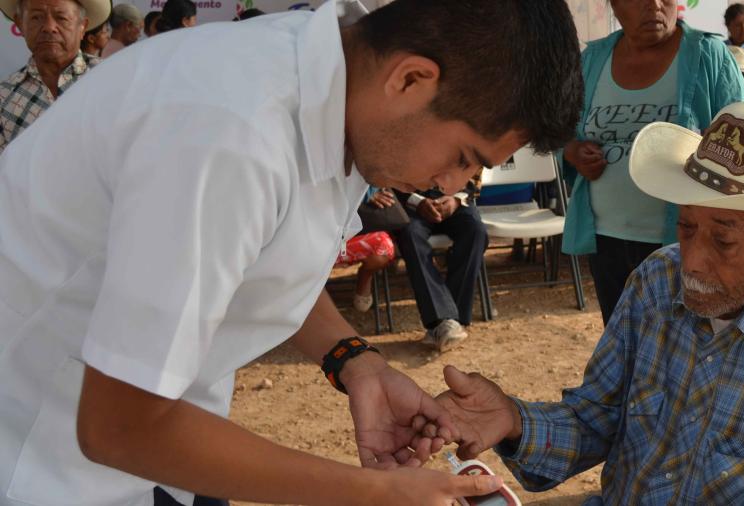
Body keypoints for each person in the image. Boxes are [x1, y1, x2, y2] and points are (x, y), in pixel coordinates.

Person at [0, 0, 584, 505]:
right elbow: (118, 427)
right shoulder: (229, 135)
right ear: (410, 80)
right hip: (40, 453)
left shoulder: (351, 94)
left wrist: (356, 362)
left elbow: (255, 261)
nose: (454, 186)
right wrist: (373, 492)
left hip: (163, 437)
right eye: (464, 155)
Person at [433, 102, 744, 505]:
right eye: (686, 227)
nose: (691, 261)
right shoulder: (657, 279)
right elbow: (597, 419)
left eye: (724, 240)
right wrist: (513, 420)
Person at [560, 0, 744, 325]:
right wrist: (575, 152)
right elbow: (566, 131)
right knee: (619, 338)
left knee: (682, 343)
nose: (655, 5)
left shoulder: (707, 55)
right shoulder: (593, 59)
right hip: (606, 236)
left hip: (686, 238)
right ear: (614, 6)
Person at [395, 171, 487, 351]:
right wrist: (418, 201)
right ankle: (442, 320)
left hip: (456, 200)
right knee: (411, 235)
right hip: (411, 202)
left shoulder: (467, 141)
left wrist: (456, 200)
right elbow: (389, 175)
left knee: (476, 232)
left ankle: (449, 321)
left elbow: (475, 173)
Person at [0, 0, 106, 154]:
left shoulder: (111, 78)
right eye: (36, 17)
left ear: (82, 26)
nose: (49, 27)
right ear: (20, 24)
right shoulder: (4, 96)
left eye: (62, 18)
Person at [336, 189, 398, 313]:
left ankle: (365, 276)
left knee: (383, 247)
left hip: (351, 231)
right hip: (320, 234)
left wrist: (367, 194)